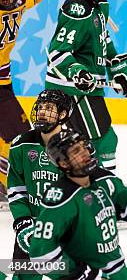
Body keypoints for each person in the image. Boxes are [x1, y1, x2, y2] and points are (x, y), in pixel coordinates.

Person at [28, 128, 127, 279]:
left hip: (119, 273)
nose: (85, 152)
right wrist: (81, 275)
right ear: (64, 163)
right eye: (76, 151)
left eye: (84, 146)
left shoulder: (105, 179)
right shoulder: (60, 199)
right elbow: (42, 255)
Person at [44, 0, 127, 172]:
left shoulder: (100, 5)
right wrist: (77, 72)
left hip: (88, 87)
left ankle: (89, 182)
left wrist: (118, 71)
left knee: (85, 141)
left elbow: (102, 41)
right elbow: (57, 52)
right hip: (71, 88)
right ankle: (101, 183)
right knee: (103, 140)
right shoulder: (77, 9)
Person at [0, 0, 71, 205]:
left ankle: (4, 182)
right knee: (18, 135)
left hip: (3, 81)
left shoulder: (18, 1)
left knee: (12, 135)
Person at [7, 90, 73, 280]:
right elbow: (16, 188)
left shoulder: (75, 148)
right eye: (41, 107)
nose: (42, 112)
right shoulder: (21, 144)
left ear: (62, 115)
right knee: (23, 276)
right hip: (32, 229)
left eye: (49, 108)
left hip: (65, 230)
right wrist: (22, 221)